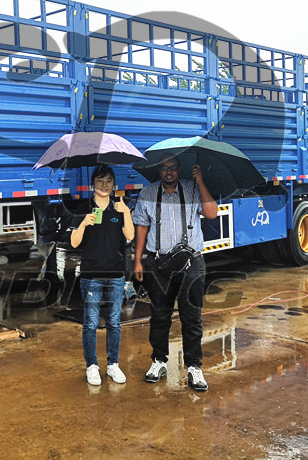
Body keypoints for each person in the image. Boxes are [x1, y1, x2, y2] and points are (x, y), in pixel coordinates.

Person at [131, 156, 217, 391]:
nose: (168, 172)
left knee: (192, 317)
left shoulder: (192, 189)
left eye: (173, 168)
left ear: (180, 169)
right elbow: (141, 226)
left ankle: (194, 367)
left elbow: (211, 213)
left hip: (192, 263)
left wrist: (200, 181)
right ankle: (159, 361)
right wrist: (138, 260)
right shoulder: (148, 193)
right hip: (158, 263)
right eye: (164, 168)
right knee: (159, 315)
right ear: (158, 170)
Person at [70, 165, 134, 386]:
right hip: (91, 275)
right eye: (100, 181)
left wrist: (126, 213)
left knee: (114, 322)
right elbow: (74, 242)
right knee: (90, 323)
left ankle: (113, 364)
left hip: (116, 273)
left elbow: (129, 236)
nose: (104, 185)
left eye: (108, 181)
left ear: (114, 185)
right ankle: (92, 366)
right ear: (92, 185)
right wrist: (83, 223)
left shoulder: (119, 208)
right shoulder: (84, 208)